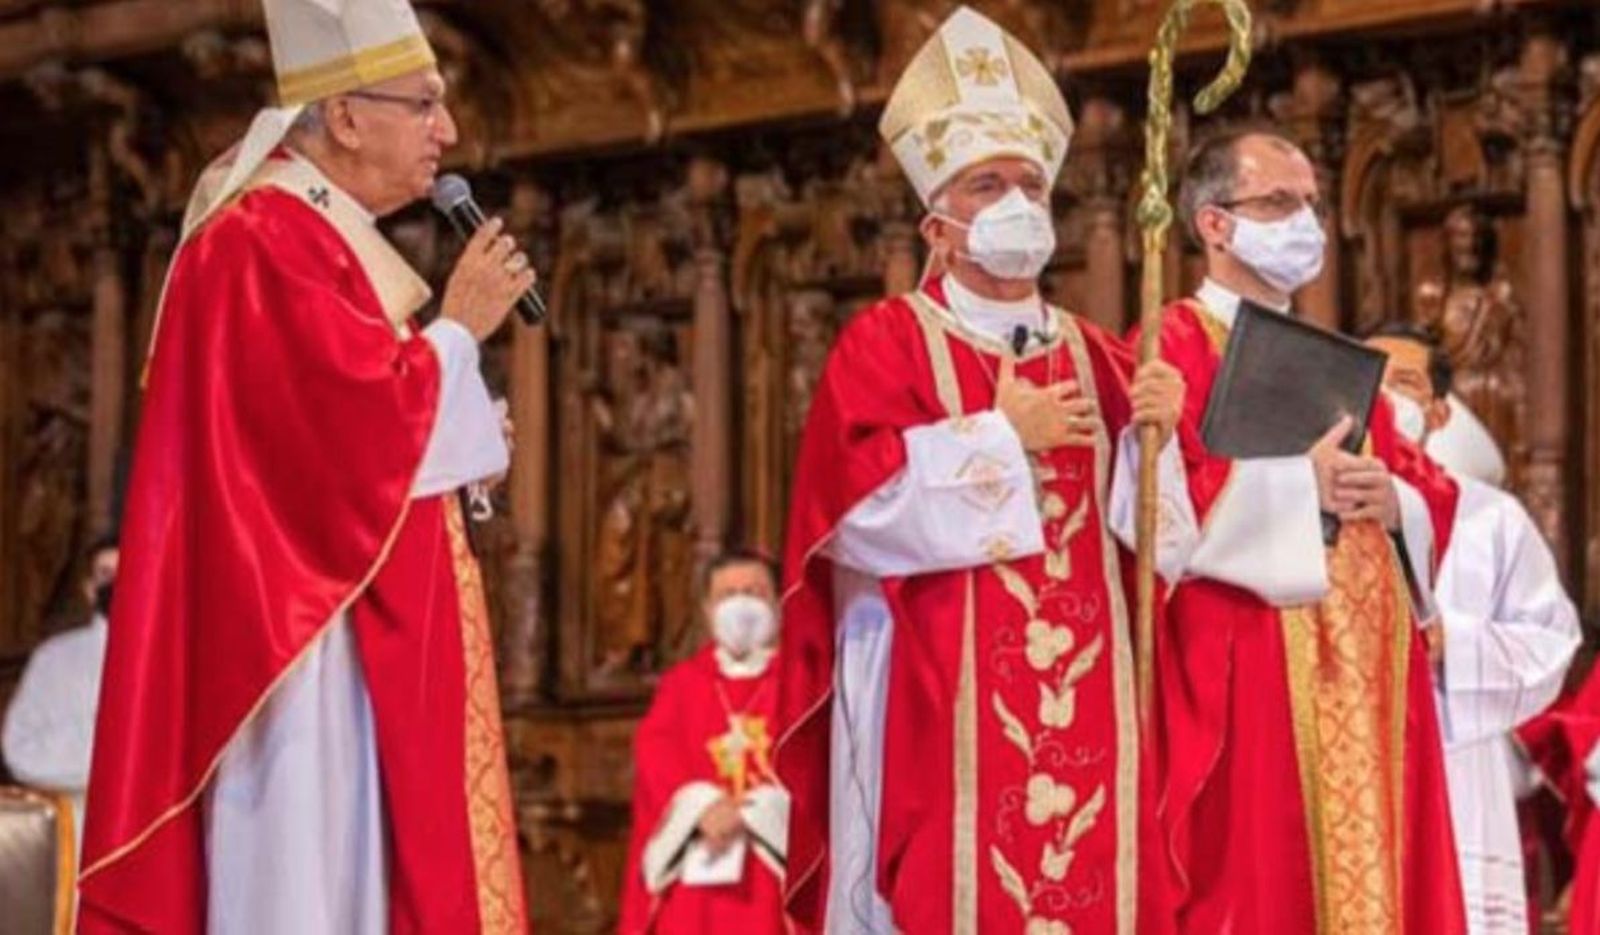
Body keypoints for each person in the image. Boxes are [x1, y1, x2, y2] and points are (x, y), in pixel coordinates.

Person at [77, 1, 532, 932]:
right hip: (287, 658)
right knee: (303, 885)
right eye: (424, 103)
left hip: (338, 637)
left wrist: (464, 446)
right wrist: (456, 331)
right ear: (347, 116)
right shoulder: (258, 240)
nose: (447, 130)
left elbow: (344, 441)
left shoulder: (320, 237)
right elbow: (335, 448)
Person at [775, 8, 1186, 933]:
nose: (1017, 204)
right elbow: (852, 517)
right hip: (935, 700)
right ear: (939, 225)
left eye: (1031, 185)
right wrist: (1000, 439)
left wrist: (1153, 444)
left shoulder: (1102, 356)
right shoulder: (887, 343)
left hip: (1095, 711)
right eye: (988, 185)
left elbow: (1161, 550)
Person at [1143, 126, 1467, 934]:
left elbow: (1429, 488)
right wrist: (1296, 486)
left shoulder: (1337, 358)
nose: (1306, 224)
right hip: (1250, 667)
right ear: (1215, 223)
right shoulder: (1170, 345)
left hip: (1367, 671)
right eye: (1279, 203)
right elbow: (1152, 512)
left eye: (1312, 206)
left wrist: (1393, 500)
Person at [1365, 324, 1580, 934]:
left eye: (1405, 383)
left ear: (1438, 413)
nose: (1385, 399)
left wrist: (1453, 645)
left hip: (1455, 768)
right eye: (1371, 383)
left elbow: (1551, 642)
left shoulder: (1490, 519)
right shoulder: (1309, 506)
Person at [619, 549, 789, 933]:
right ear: (707, 609)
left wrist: (756, 811)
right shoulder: (682, 684)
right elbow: (655, 754)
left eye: (754, 592)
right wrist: (702, 806)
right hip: (697, 860)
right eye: (728, 594)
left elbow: (818, 766)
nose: (741, 604)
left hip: (773, 871)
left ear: (779, 603)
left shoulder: (802, 682)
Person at [2, 535, 118, 838]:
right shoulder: (54, 658)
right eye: (105, 574)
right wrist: (109, 745)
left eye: (126, 573)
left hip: (155, 831)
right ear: (89, 588)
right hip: (76, 828)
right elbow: (19, 750)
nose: (116, 584)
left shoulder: (172, 656)